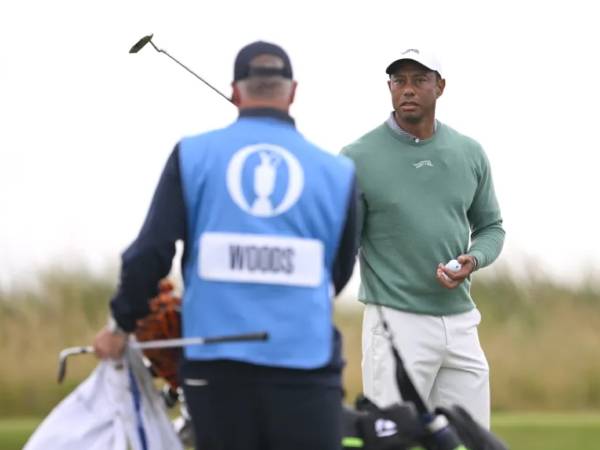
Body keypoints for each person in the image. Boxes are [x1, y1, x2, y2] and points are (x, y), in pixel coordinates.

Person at [94, 40, 359, 450]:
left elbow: (150, 253)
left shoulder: (192, 155)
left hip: (217, 369)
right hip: (305, 365)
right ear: (292, 92)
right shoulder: (339, 172)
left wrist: (120, 325)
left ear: (236, 91)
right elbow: (337, 273)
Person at [341, 48, 505, 429]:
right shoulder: (357, 156)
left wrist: (474, 259)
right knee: (392, 438)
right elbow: (343, 241)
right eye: (399, 81)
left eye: (419, 79)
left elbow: (491, 228)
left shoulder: (468, 153)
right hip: (394, 320)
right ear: (389, 88)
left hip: (461, 321)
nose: (408, 90)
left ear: (440, 86)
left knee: (470, 436)